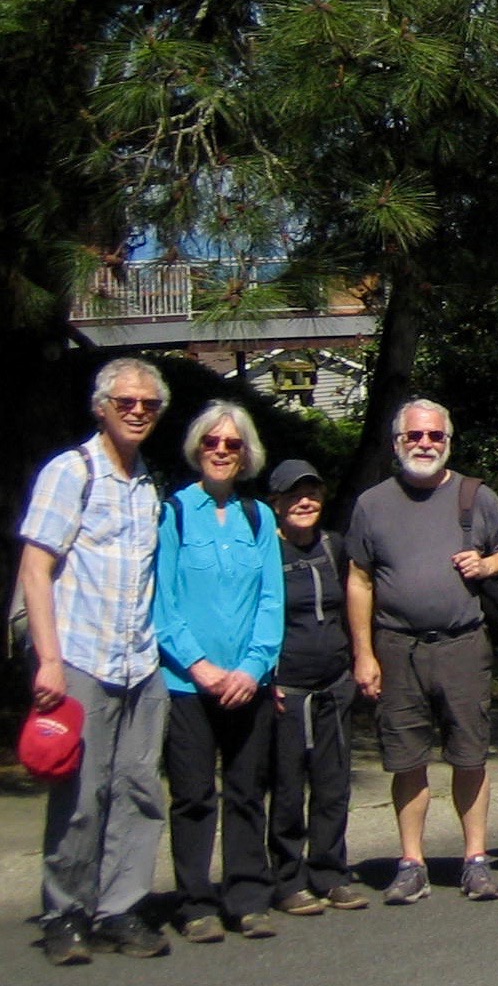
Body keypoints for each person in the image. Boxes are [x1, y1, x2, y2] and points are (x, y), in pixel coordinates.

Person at [19, 358, 176, 964]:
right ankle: (65, 914)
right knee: (80, 795)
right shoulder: (70, 472)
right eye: (125, 402)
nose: (137, 411)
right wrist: (49, 660)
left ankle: (121, 909)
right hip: (81, 657)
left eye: (149, 404)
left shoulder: (147, 482)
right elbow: (37, 569)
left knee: (137, 791)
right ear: (101, 406)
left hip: (140, 661)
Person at [347, 398, 498, 905]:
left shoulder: (475, 495)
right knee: (407, 761)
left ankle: (474, 860)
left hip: (463, 645)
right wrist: (364, 653)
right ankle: (411, 863)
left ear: (448, 441)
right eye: (415, 436)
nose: (425, 444)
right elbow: (359, 579)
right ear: (397, 442)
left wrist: (487, 566)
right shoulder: (372, 504)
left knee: (470, 756)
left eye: (435, 437)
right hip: (397, 646)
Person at [156, 401, 286, 942]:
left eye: (232, 444)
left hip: (247, 683)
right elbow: (163, 604)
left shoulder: (260, 517)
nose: (221, 451)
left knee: (246, 792)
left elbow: (271, 601)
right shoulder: (174, 513)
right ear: (197, 448)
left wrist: (253, 667)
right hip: (188, 683)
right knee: (191, 796)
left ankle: (246, 897)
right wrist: (201, 666)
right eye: (212, 442)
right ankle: (196, 903)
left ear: (245, 453)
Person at [263, 460, 368, 916]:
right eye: (293, 496)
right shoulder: (267, 551)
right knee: (288, 789)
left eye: (312, 494)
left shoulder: (334, 547)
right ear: (276, 503)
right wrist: (264, 676)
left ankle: (330, 873)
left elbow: (355, 601)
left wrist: (359, 661)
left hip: (333, 684)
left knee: (332, 785)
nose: (304, 503)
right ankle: (288, 879)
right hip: (287, 689)